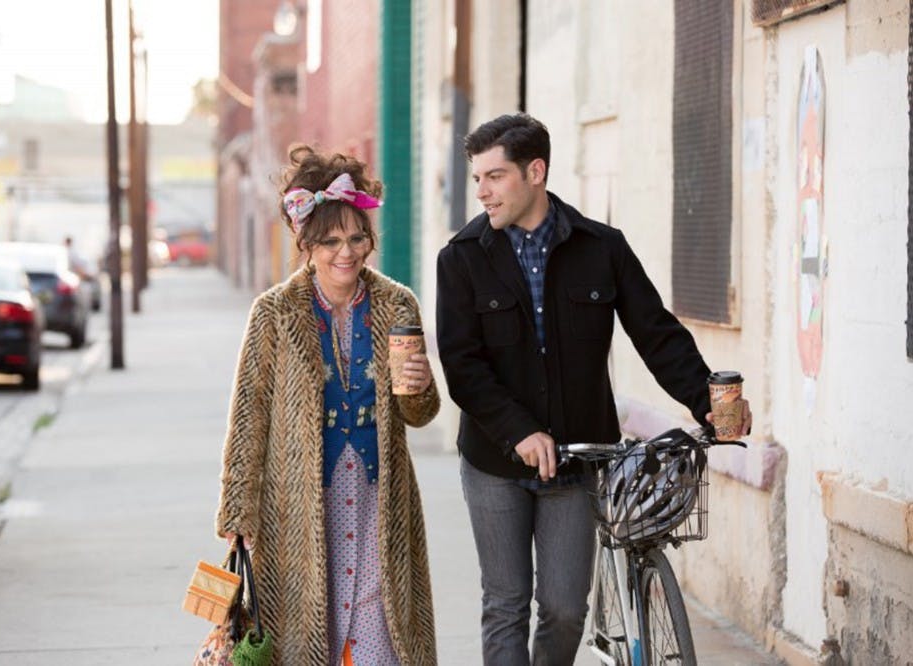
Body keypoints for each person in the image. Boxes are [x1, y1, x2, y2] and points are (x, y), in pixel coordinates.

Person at [435, 113, 752, 665]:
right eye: (477, 178)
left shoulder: (602, 248)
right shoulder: (461, 258)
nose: (481, 191)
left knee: (563, 608)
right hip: (494, 464)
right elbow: (463, 366)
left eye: (495, 176)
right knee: (507, 603)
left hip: (578, 459)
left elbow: (656, 335)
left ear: (536, 172)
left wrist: (708, 403)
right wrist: (520, 430)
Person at [216, 145, 440, 666]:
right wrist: (237, 509)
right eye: (332, 241)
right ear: (307, 244)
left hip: (379, 501)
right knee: (307, 639)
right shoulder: (273, 313)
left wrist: (423, 384)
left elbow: (419, 414)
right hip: (297, 507)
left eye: (357, 237)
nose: (348, 252)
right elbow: (249, 416)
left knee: (382, 641)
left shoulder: (397, 303)